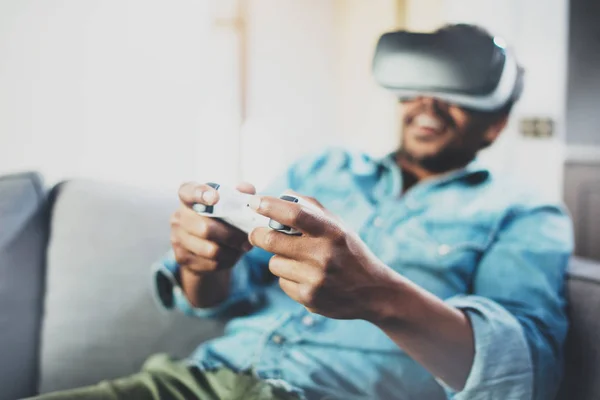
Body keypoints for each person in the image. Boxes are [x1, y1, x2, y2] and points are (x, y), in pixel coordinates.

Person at [32, 24, 573, 400]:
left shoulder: (525, 212)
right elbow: (218, 300)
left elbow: (524, 377)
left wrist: (377, 295)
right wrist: (203, 265)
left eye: (455, 93)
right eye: (416, 87)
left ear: (495, 124)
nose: (427, 103)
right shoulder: (323, 169)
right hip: (197, 381)